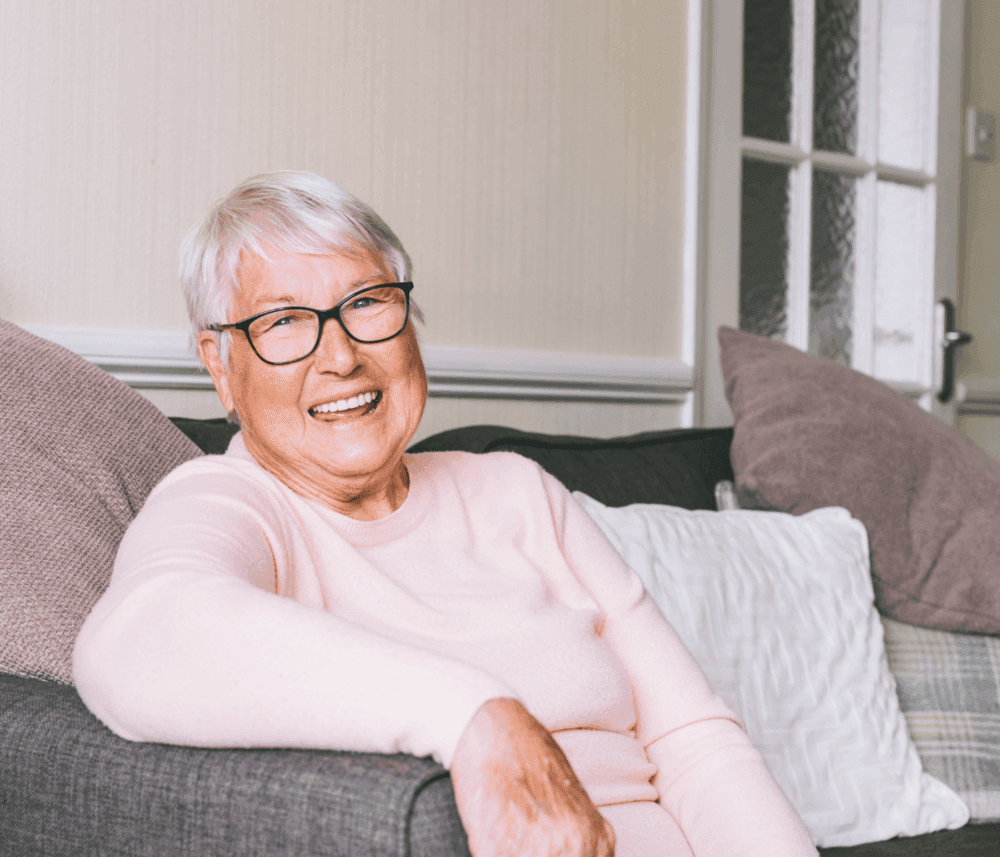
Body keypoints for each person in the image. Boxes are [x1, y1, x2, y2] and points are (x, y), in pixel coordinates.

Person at [73, 171, 818, 857]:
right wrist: (475, 712)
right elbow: (136, 639)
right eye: (285, 322)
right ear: (218, 365)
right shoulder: (232, 500)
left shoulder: (518, 491)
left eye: (366, 303)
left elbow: (693, 737)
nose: (339, 356)